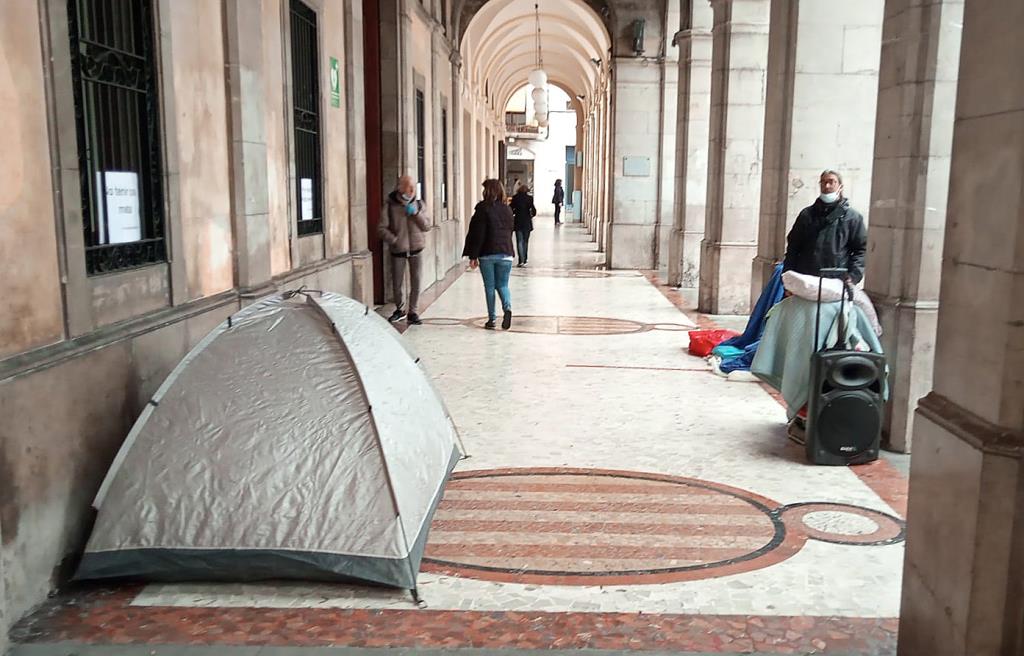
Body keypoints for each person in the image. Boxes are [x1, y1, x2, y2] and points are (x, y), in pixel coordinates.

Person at [782, 169, 867, 284]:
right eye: (823, 182)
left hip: (836, 281)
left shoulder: (853, 218)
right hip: (806, 279)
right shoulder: (806, 215)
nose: (827, 186)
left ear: (840, 187)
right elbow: (793, 247)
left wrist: (853, 276)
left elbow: (861, 250)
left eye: (832, 182)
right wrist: (788, 277)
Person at [462, 179, 515, 330]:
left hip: (487, 253)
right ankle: (508, 309)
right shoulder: (507, 209)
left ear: (487, 192)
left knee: (490, 287)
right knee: (503, 285)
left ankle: (492, 319)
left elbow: (477, 234)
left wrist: (473, 255)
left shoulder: (482, 209)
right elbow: (511, 229)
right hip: (506, 253)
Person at [379, 175, 431, 325]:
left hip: (416, 248)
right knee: (397, 283)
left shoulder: (419, 204)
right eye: (409, 187)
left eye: (413, 187)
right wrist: (394, 240)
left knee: (416, 281)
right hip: (398, 249)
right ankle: (399, 308)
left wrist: (416, 214)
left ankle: (413, 311)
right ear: (400, 188)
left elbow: (426, 226)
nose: (412, 190)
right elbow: (381, 228)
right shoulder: (390, 205)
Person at [510, 183, 537, 267]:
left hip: (518, 221)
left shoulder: (515, 198)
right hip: (527, 222)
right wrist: (531, 215)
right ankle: (525, 260)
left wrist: (515, 212)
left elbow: (511, 208)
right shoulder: (529, 198)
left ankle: (520, 260)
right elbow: (533, 209)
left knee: (519, 241)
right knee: (525, 241)